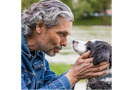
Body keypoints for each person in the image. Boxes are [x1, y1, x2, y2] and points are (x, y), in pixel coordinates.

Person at [21, 0, 110, 90]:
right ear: (40, 26)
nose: (65, 43)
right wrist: (73, 76)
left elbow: (48, 83)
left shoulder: (37, 51)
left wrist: (79, 71)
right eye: (61, 34)